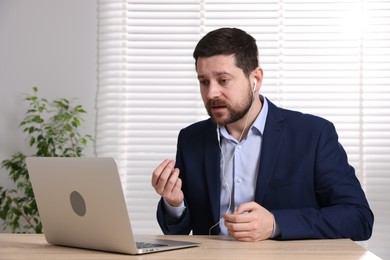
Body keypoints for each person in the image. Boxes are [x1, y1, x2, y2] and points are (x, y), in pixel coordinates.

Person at [151, 27, 374, 241]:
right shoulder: (191, 139)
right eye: (203, 81)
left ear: (255, 78)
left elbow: (359, 218)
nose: (211, 93)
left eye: (223, 80)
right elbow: (178, 232)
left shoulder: (313, 135)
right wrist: (175, 203)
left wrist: (276, 224)